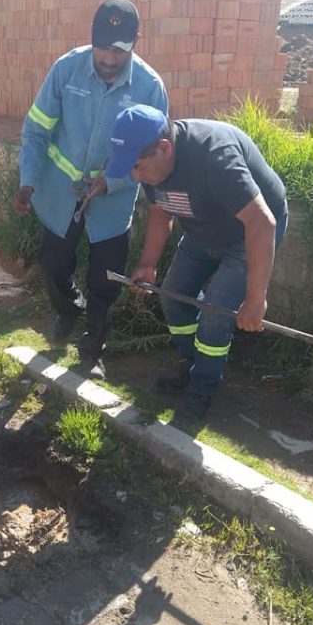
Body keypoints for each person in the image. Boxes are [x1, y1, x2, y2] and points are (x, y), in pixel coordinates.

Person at [14, 0, 168, 380]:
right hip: (58, 196)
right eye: (102, 47)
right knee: (54, 266)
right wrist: (28, 181)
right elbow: (36, 131)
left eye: (119, 50)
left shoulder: (150, 88)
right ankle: (68, 310)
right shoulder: (66, 70)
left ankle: (92, 350)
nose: (109, 59)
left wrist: (111, 183)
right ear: (91, 39)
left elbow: (154, 160)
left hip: (112, 203)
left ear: (136, 41)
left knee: (105, 282)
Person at [105, 104, 288, 422]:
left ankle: (203, 387)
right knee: (173, 298)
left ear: (164, 148)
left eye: (138, 167)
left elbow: (262, 223)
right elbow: (161, 209)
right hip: (201, 228)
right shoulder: (152, 161)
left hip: (247, 234)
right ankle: (196, 365)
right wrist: (148, 263)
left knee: (215, 315)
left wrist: (256, 299)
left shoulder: (214, 157)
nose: (135, 176)